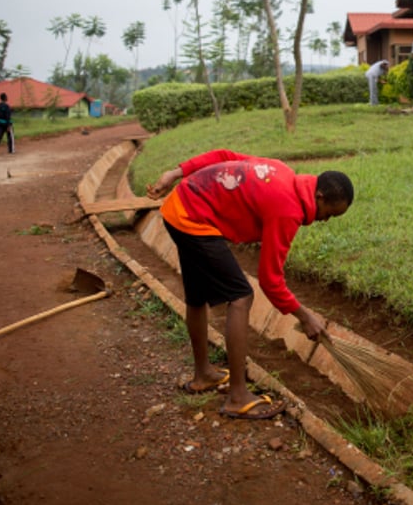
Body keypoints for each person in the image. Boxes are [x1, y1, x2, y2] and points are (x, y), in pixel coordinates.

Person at [146, 150, 353, 420]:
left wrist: (176, 172)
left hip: (181, 205)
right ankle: (238, 396)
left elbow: (224, 155)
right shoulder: (288, 211)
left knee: (197, 296)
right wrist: (305, 317)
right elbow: (270, 280)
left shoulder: (282, 170)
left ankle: (204, 375)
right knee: (241, 296)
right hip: (194, 218)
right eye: (329, 214)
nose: (324, 221)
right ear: (319, 197)